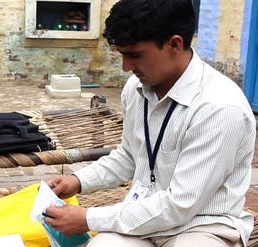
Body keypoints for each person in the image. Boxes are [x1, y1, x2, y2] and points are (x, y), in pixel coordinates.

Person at [44, 0, 256, 246]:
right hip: (141, 216)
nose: (126, 67)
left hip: (203, 226)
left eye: (134, 55)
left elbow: (180, 206)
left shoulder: (219, 107)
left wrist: (89, 218)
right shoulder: (136, 88)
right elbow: (129, 155)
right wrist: (78, 181)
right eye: (122, 55)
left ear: (174, 44)